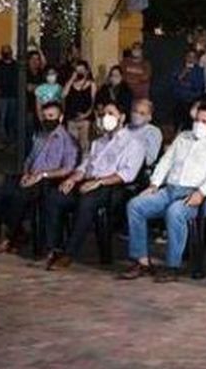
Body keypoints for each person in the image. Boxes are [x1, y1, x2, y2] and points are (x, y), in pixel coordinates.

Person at [122, 101, 206, 281]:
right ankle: (141, 261)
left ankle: (172, 266)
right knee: (135, 205)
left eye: (204, 121)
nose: (199, 124)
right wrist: (154, 184)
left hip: (203, 196)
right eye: (197, 120)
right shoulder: (183, 137)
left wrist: (201, 192)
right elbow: (166, 162)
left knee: (175, 211)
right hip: (170, 190)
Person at [45, 101, 147, 266]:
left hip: (112, 187)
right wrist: (72, 178)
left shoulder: (133, 143)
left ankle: (69, 253)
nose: (106, 118)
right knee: (56, 196)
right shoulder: (98, 143)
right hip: (89, 182)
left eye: (111, 114)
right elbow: (85, 166)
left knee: (88, 201)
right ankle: (53, 248)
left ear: (121, 117)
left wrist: (99, 183)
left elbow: (127, 174)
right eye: (103, 114)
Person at [0, 99, 79, 254]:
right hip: (30, 176)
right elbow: (29, 159)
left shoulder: (67, 141)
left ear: (60, 117)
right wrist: (26, 173)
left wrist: (42, 175)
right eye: (45, 116)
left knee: (18, 198)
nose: (48, 120)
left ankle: (12, 238)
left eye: (51, 116)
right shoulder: (39, 136)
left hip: (48, 180)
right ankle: (19, 231)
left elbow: (68, 168)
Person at [0, 45, 20, 148]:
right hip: (1, 95)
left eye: (8, 52)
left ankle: (11, 141)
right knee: (1, 119)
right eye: (4, 52)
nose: (6, 54)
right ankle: (1, 141)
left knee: (11, 119)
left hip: (13, 95)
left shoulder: (16, 65)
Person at [63, 60, 96, 151]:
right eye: (78, 70)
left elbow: (93, 102)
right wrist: (71, 79)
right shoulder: (71, 84)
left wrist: (86, 114)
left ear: (86, 71)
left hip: (85, 119)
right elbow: (63, 94)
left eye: (82, 70)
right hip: (72, 118)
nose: (80, 72)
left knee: (84, 145)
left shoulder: (91, 84)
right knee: (72, 146)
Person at [169, 50, 206, 129]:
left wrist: (186, 85)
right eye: (189, 56)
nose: (191, 59)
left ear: (196, 59)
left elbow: (199, 87)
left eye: (193, 57)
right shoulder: (178, 69)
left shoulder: (199, 70)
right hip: (178, 100)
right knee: (177, 123)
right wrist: (182, 74)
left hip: (192, 101)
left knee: (189, 124)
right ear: (185, 57)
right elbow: (173, 84)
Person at [129, 98, 163, 167]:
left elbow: (149, 159)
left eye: (142, 113)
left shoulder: (153, 132)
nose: (137, 115)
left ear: (149, 117)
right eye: (135, 111)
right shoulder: (126, 128)